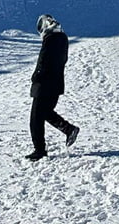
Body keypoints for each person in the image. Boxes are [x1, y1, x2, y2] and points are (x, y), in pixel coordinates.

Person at [24, 14, 80, 161]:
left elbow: (43, 60)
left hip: (44, 83)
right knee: (45, 112)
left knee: (36, 118)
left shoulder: (50, 40)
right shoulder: (63, 39)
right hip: (56, 83)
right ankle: (69, 129)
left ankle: (39, 150)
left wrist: (36, 76)